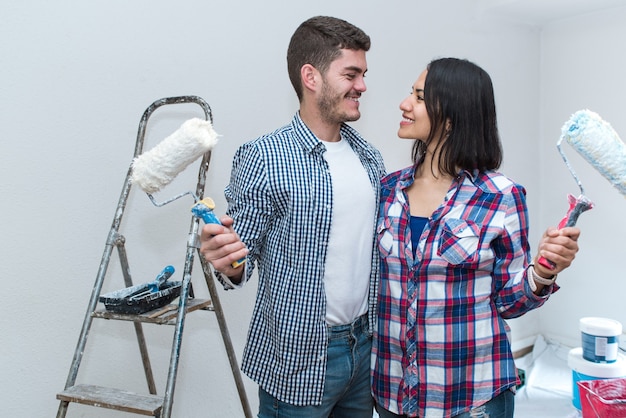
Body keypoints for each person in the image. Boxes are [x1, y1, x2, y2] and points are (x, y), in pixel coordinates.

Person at [199, 16, 386, 418]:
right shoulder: (264, 157)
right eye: (351, 74)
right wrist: (227, 259)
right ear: (311, 76)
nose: (363, 86)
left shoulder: (370, 158)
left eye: (364, 74)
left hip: (364, 348)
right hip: (300, 359)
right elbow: (239, 264)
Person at [372, 57, 581, 418]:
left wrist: (544, 271)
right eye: (411, 94)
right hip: (392, 394)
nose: (404, 104)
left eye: (419, 97)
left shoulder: (501, 196)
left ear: (451, 117)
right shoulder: (388, 189)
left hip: (470, 399)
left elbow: (509, 302)